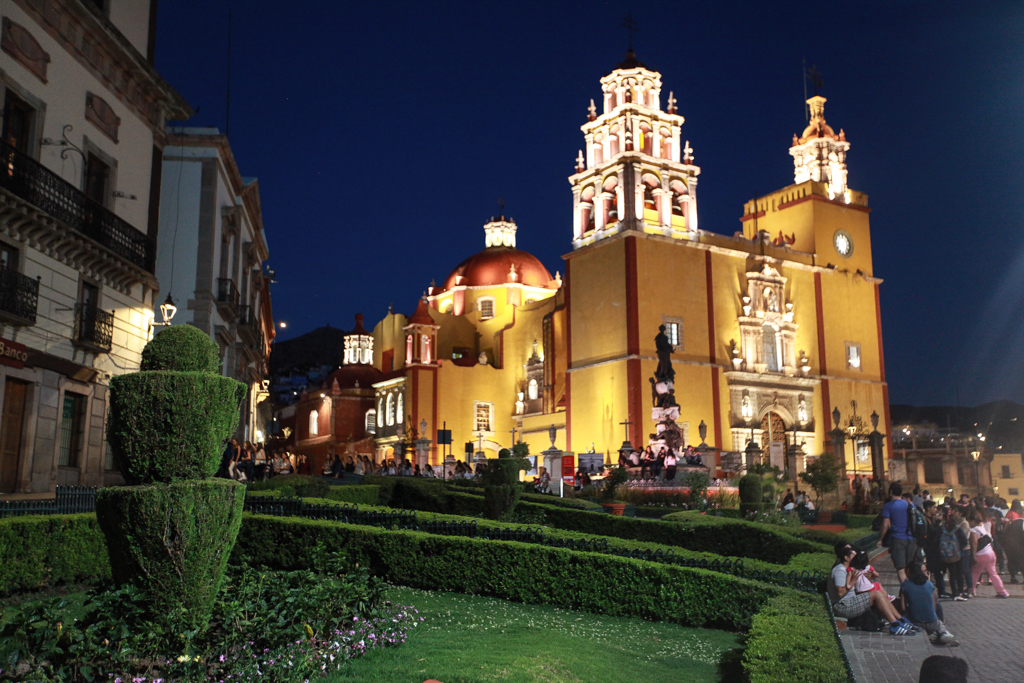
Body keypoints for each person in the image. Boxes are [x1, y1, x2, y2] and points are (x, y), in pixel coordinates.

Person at [828, 542, 914, 635]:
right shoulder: (840, 571)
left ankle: (900, 620)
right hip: (843, 606)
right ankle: (894, 624)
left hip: (851, 602)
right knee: (876, 594)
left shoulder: (851, 569)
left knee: (877, 592)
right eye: (853, 555)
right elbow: (840, 593)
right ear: (846, 558)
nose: (857, 556)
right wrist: (853, 580)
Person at [899, 562, 958, 646]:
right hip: (932, 623)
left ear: (908, 571)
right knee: (938, 613)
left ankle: (934, 634)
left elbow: (903, 608)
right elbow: (934, 606)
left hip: (915, 622)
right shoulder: (929, 584)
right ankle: (943, 633)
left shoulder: (905, 585)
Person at [878, 482, 917, 582]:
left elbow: (885, 525)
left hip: (898, 539)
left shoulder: (889, 506)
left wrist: (880, 539)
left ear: (890, 492)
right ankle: (912, 593)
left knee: (901, 570)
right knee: (909, 568)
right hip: (912, 539)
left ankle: (906, 594)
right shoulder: (910, 505)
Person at [968, 508, 1009, 597]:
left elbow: (974, 543)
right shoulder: (982, 528)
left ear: (972, 521)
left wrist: (974, 555)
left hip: (981, 555)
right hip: (990, 553)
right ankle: (1002, 592)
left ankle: (972, 590)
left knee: (974, 573)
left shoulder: (973, 530)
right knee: (993, 574)